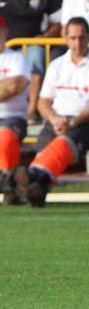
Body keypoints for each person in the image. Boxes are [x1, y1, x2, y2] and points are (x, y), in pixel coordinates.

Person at [6, 17, 89, 207]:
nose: (77, 43)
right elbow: (43, 101)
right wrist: (54, 118)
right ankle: (36, 186)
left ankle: (22, 182)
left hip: (88, 122)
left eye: (81, 38)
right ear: (65, 39)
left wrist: (73, 122)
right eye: (72, 38)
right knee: (44, 154)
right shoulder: (57, 65)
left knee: (62, 145)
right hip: (57, 119)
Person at [0, 0, 62, 121]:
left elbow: (58, 23)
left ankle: (32, 109)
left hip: (33, 44)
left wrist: (44, 37)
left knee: (35, 56)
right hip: (4, 47)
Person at [0, 16, 30, 203]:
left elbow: (14, 87)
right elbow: (8, 86)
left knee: (5, 137)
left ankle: (7, 181)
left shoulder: (16, 58)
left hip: (12, 117)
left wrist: (8, 86)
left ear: (5, 33)